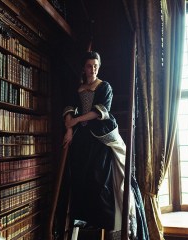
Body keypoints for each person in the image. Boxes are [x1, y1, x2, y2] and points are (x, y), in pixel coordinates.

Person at [62, 51, 136, 239]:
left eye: (95, 65)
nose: (92, 69)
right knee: (79, 176)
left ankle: (107, 221)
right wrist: (70, 129)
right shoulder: (77, 88)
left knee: (99, 178)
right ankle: (82, 217)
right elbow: (69, 108)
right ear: (84, 68)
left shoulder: (105, 87)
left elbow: (99, 112)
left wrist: (76, 120)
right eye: (89, 65)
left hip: (100, 135)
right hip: (82, 137)